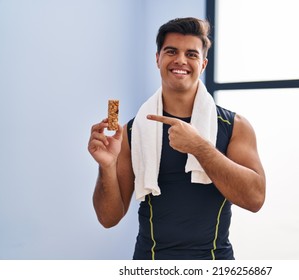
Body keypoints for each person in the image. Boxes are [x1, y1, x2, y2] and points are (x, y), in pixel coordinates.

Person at [88, 17, 266, 260]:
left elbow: (255, 199)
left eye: (191, 54)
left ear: (203, 64)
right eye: (171, 51)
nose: (180, 60)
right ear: (157, 59)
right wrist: (106, 166)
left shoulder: (235, 127)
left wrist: (199, 147)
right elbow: (108, 218)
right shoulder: (133, 131)